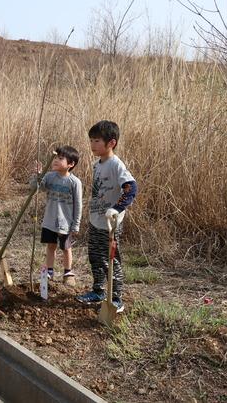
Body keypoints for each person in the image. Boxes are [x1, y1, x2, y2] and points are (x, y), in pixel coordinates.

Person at [76, 120, 138, 313]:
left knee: (111, 260)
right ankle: (98, 291)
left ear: (111, 143)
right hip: (96, 219)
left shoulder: (116, 165)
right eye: (91, 141)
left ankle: (117, 297)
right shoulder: (98, 165)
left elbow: (131, 188)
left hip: (110, 224)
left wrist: (117, 208)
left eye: (96, 141)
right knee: (95, 256)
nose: (92, 145)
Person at [30, 145, 82, 285]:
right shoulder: (49, 177)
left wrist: (76, 224)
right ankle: (50, 271)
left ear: (70, 164)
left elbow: (78, 205)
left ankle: (68, 272)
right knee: (51, 246)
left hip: (65, 222)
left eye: (60, 158)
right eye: (55, 158)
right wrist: (38, 175)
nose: (55, 161)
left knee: (66, 247)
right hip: (49, 219)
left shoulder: (74, 182)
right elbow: (36, 187)